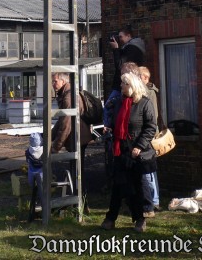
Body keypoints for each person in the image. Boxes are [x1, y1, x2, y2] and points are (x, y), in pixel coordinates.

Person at [100, 72, 157, 234]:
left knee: (136, 186)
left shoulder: (144, 103)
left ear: (131, 85)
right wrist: (109, 128)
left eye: (124, 83)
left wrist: (139, 146)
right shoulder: (119, 102)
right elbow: (116, 122)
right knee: (118, 184)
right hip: (121, 150)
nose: (121, 86)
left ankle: (139, 218)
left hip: (136, 152)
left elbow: (150, 127)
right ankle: (111, 218)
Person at [51, 73, 92, 209]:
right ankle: (78, 202)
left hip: (77, 137)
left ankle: (80, 203)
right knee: (76, 171)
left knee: (77, 172)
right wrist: (48, 136)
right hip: (78, 136)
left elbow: (66, 124)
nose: (53, 84)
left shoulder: (68, 96)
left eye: (55, 81)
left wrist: (56, 146)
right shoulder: (66, 93)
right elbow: (62, 120)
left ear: (63, 81)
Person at [103, 26, 146, 128]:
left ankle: (107, 129)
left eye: (121, 37)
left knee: (108, 107)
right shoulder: (129, 47)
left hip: (124, 85)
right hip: (125, 85)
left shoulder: (132, 48)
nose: (119, 39)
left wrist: (116, 49)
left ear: (128, 36)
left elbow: (120, 66)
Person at [139, 66, 161, 217]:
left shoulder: (149, 92)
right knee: (148, 169)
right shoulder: (146, 91)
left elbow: (152, 116)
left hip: (149, 135)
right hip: (148, 134)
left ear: (145, 78)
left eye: (139, 76)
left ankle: (154, 200)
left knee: (149, 169)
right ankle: (153, 199)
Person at [26, 131, 43, 209]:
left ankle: (34, 202)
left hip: (31, 173)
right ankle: (41, 202)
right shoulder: (44, 150)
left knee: (33, 188)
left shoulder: (28, 151)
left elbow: (27, 161)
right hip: (41, 172)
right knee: (41, 188)